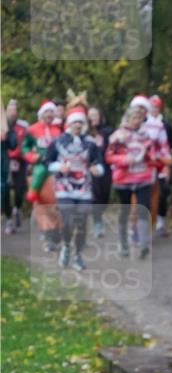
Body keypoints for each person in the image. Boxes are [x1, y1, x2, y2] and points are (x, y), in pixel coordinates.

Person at [45, 107, 104, 270]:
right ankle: (66, 246)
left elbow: (99, 163)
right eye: (75, 121)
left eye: (81, 122)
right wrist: (59, 166)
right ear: (69, 124)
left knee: (82, 223)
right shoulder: (57, 142)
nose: (78, 124)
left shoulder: (90, 143)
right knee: (68, 219)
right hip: (64, 187)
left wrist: (96, 169)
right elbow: (47, 163)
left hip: (84, 188)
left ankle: (78, 256)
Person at [106, 105, 158, 258]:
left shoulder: (146, 135)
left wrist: (150, 158)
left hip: (142, 177)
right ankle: (123, 244)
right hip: (123, 179)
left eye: (139, 118)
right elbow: (109, 156)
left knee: (143, 209)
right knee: (125, 210)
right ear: (128, 119)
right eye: (134, 118)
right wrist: (123, 159)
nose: (137, 121)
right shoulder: (118, 136)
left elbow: (151, 154)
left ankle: (143, 245)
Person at [23, 99, 63, 251]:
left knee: (55, 203)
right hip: (38, 166)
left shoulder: (58, 130)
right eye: (47, 111)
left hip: (54, 170)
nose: (50, 114)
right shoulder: (32, 129)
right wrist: (32, 157)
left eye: (52, 112)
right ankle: (47, 238)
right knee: (41, 206)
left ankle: (56, 232)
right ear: (41, 113)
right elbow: (25, 147)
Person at [148, 95, 172, 237]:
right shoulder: (143, 124)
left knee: (163, 191)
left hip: (162, 163)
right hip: (147, 164)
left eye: (156, 107)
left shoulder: (165, 124)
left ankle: (161, 222)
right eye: (151, 107)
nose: (154, 109)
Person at [86, 106, 114, 237]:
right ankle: (97, 224)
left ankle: (98, 216)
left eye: (95, 115)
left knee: (104, 196)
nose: (93, 118)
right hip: (91, 167)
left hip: (106, 167)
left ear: (100, 116)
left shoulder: (108, 131)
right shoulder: (84, 132)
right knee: (95, 196)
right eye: (90, 115)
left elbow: (113, 148)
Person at [4, 99, 29, 234]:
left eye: (14, 110)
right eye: (10, 110)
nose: (12, 113)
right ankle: (8, 219)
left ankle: (17, 208)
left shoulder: (24, 126)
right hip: (5, 162)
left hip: (20, 161)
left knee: (20, 190)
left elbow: (26, 143)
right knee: (5, 190)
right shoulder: (2, 125)